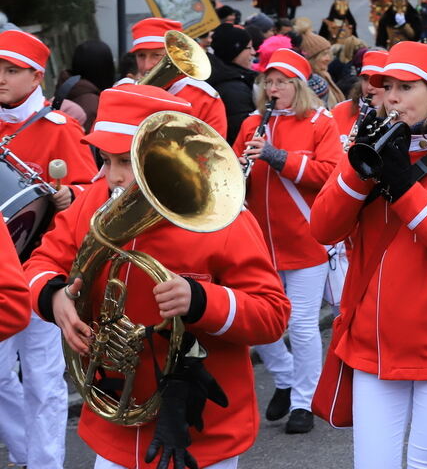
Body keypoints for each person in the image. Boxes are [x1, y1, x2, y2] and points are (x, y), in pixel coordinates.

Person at [23, 83, 291, 469]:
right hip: (114, 418)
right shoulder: (93, 202)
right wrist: (53, 296)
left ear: (163, 157)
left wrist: (201, 300)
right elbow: (42, 261)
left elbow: (272, 315)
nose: (111, 177)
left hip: (198, 430)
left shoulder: (222, 218)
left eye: (124, 162)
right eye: (105, 159)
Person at [310, 42, 427, 469]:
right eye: (386, 86)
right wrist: (360, 172)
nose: (390, 96)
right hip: (373, 347)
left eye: (405, 86)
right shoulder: (366, 147)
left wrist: (405, 189)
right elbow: (323, 229)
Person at [0, 30, 97, 469]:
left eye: (11, 71)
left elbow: (91, 191)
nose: (1, 78)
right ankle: (23, 451)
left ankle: (44, 463)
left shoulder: (60, 128)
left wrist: (69, 197)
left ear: (36, 75)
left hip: (40, 266)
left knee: (41, 376)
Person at [232, 48, 340, 435]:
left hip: (306, 240)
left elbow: (329, 173)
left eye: (281, 82)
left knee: (302, 325)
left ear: (297, 86)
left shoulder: (319, 122)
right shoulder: (250, 125)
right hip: (258, 241)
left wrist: (278, 157)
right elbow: (230, 176)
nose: (273, 89)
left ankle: (303, 402)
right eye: (268, 82)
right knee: (258, 324)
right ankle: (283, 376)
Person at [127, 17, 228, 138]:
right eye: (141, 55)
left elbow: (215, 151)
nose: (147, 65)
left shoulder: (205, 99)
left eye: (156, 55)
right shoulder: (123, 91)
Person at [209, 23, 258, 145]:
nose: (254, 52)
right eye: (249, 47)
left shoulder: (231, 78)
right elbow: (245, 133)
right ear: (235, 51)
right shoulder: (233, 89)